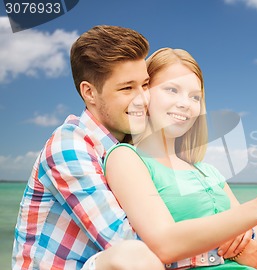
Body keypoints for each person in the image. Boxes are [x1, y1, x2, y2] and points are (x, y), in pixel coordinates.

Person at [103, 48, 257, 269]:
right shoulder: (126, 157)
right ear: (145, 94)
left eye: (195, 97)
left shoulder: (208, 172)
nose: (185, 104)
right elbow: (165, 244)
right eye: (172, 90)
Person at [13, 25, 174, 270]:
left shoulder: (133, 148)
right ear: (89, 92)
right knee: (132, 255)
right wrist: (213, 250)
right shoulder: (69, 145)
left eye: (145, 84)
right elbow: (124, 239)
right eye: (127, 88)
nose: (143, 98)